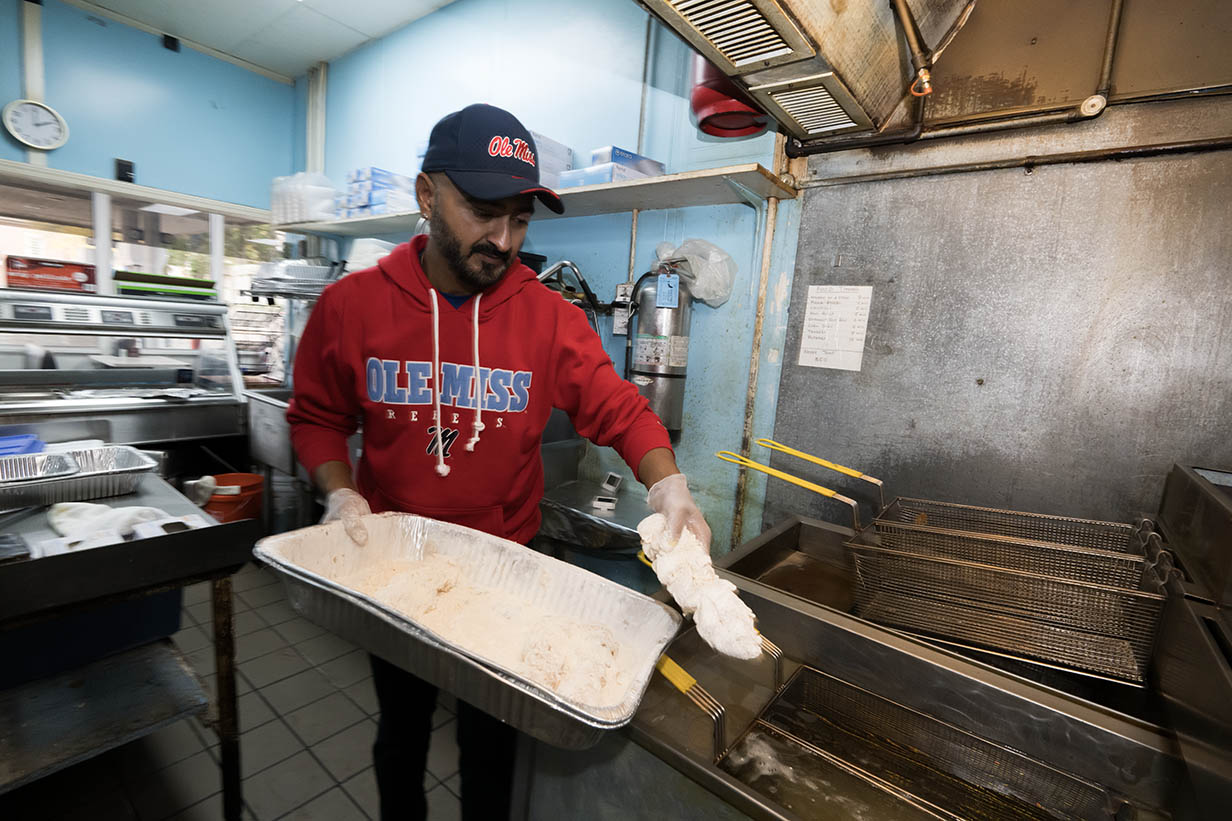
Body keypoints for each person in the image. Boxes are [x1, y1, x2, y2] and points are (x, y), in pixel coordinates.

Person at [287, 103, 712, 821]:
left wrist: (667, 482)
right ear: (428, 196)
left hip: (502, 573)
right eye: (485, 212)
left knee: (491, 743)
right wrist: (340, 492)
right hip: (397, 568)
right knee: (403, 732)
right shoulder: (352, 306)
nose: (503, 239)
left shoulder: (548, 319)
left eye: (520, 219)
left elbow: (617, 405)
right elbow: (318, 417)